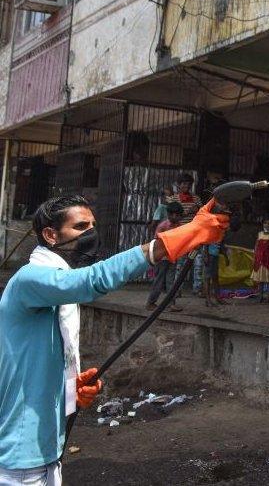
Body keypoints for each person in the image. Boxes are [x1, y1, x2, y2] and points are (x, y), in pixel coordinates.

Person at [0, 195, 228, 484]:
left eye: (93, 225)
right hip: (20, 462)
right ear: (50, 235)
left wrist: (68, 388)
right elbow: (92, 281)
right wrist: (179, 237)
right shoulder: (29, 279)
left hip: (45, 455)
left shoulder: (53, 287)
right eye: (81, 226)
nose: (91, 234)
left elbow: (27, 364)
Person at [166, 174, 204, 296]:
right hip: (180, 236)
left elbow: (203, 217)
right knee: (179, 265)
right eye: (183, 183)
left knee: (198, 263)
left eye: (188, 184)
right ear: (178, 185)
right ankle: (177, 290)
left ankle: (197, 288)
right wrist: (188, 212)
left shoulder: (197, 199)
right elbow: (171, 219)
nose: (186, 186)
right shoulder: (173, 199)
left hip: (194, 236)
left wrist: (197, 211)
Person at [145, 202, 185, 312]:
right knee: (159, 281)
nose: (174, 217)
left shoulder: (179, 226)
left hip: (172, 257)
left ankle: (171, 304)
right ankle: (150, 302)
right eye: (172, 214)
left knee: (170, 282)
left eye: (177, 215)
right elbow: (157, 242)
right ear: (168, 214)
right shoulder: (162, 226)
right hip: (162, 258)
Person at [203, 242, 229, 307]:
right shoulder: (211, 232)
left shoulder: (220, 233)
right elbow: (206, 242)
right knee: (207, 278)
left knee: (215, 277)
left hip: (215, 255)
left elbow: (221, 245)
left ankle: (218, 298)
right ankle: (208, 300)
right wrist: (206, 255)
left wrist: (226, 256)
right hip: (210, 255)